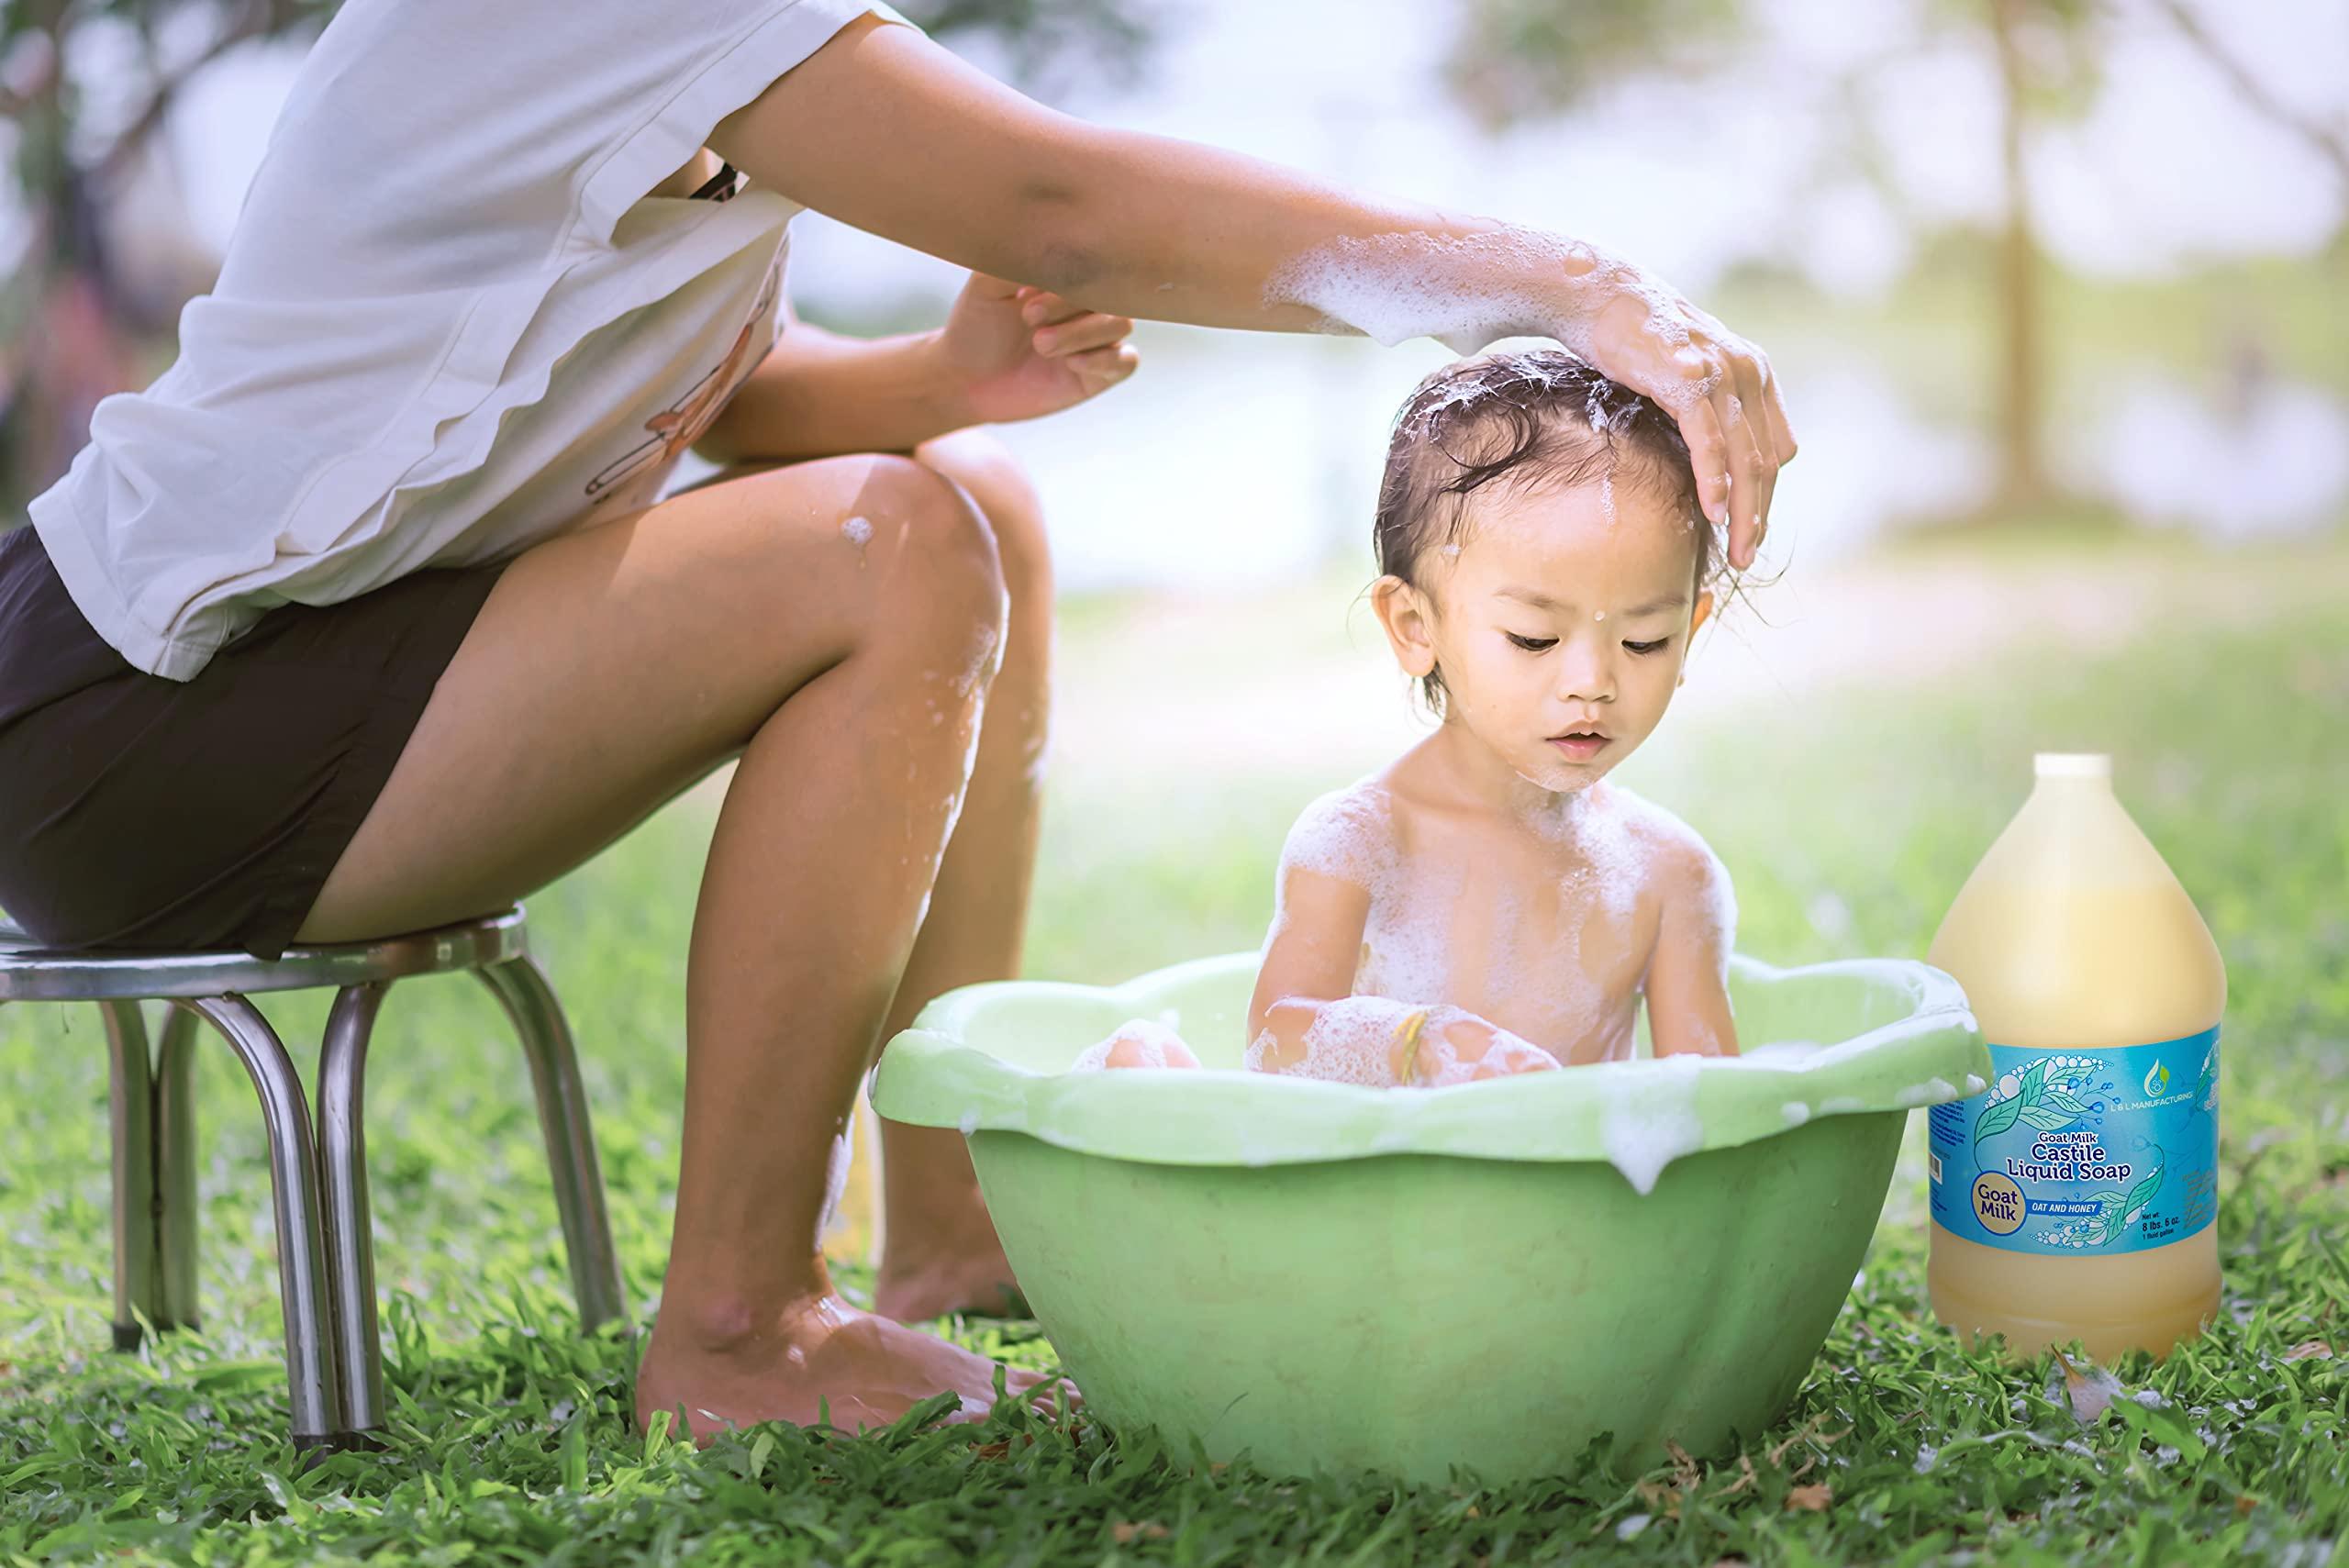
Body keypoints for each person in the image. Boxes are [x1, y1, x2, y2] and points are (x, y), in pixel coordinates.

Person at [0, 0, 1796, 1439]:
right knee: (898, 542)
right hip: (147, 710)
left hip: (303, 665)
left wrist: (942, 385)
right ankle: (732, 1327)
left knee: (964, 491)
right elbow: (1055, 206)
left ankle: (944, 1233)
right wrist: (1563, 280)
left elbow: (661, 386)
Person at [1077, 350, 1742, 1088]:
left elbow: (1715, 1108)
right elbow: (1275, 1038)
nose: (1593, 682)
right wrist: (1419, 1041)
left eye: (1644, 640)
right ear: (1414, 626)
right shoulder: (1363, 842)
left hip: (1558, 1204)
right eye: (1533, 638)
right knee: (1140, 1074)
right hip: (1373, 1195)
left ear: (1692, 630)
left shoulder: (1669, 876)